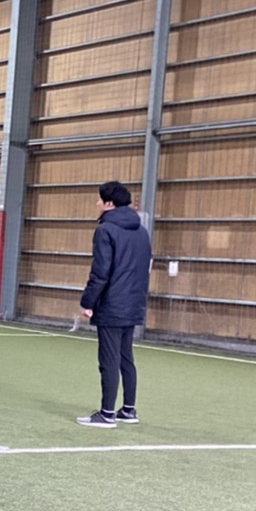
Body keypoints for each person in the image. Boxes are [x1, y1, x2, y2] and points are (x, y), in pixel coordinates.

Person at [76, 181, 152, 428]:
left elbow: (100, 272)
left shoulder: (105, 230)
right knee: (125, 357)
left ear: (109, 204)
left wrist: (88, 302)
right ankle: (128, 410)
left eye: (100, 200)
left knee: (108, 359)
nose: (97, 204)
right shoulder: (142, 232)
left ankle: (107, 413)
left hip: (112, 304)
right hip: (134, 302)